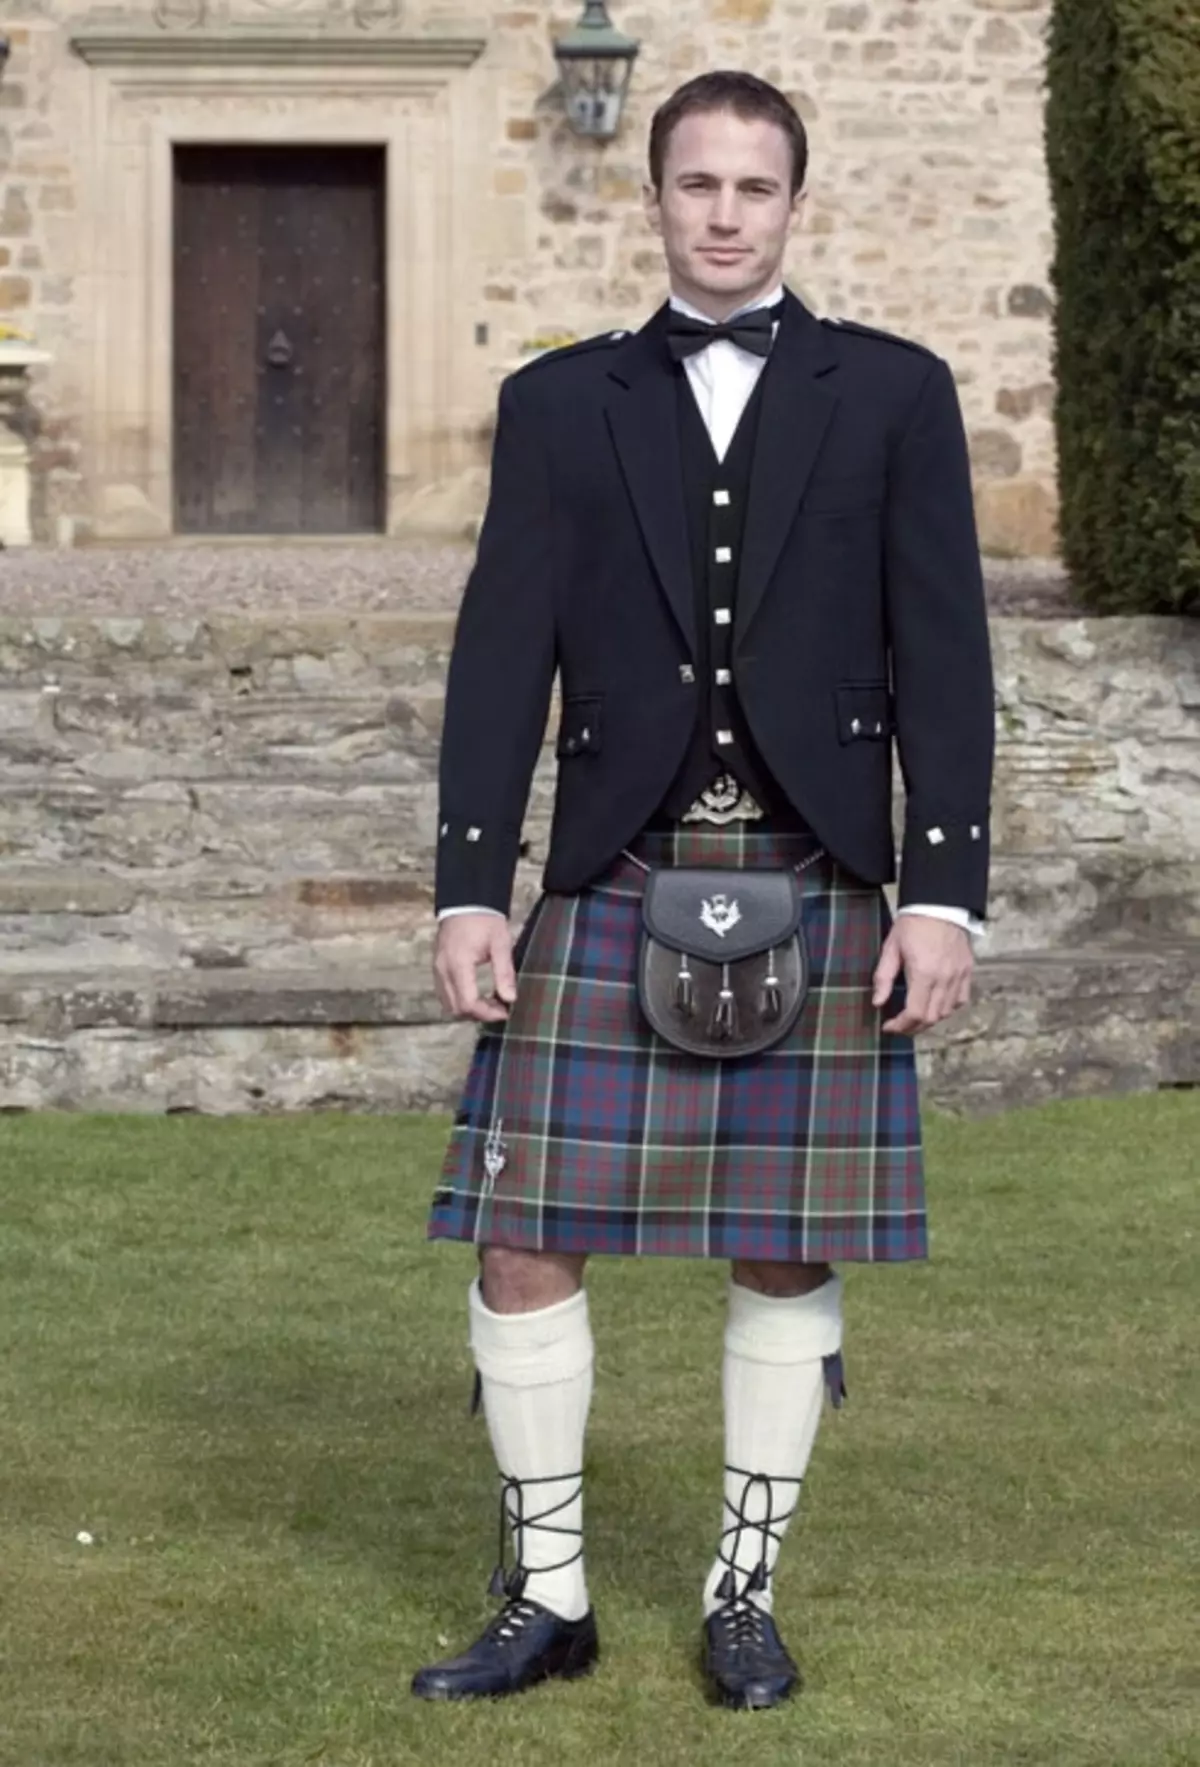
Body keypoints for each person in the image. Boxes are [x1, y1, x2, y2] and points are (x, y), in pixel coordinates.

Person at [412, 69, 995, 1711]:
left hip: (820, 868)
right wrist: (473, 885)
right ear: (653, 197)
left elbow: (945, 656)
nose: (723, 214)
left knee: (786, 1244)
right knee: (522, 1235)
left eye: (753, 188)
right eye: (696, 185)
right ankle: (547, 1597)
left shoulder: (893, 392)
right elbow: (496, 657)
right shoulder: (560, 401)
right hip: (616, 865)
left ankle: (744, 1596)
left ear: (793, 203)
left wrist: (945, 895)